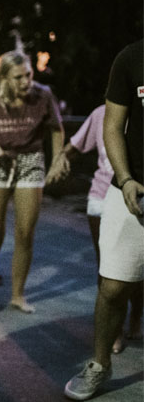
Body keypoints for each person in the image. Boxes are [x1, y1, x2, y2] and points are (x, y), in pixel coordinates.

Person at [64, 39, 143, 400]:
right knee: (112, 287)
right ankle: (99, 364)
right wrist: (125, 178)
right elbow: (112, 127)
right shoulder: (130, 57)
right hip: (133, 189)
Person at [0, 51, 68, 315]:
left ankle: (18, 294)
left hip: (30, 161)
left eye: (28, 74)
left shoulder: (43, 94)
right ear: (4, 77)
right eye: (18, 77)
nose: (26, 81)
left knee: (25, 233)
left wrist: (58, 159)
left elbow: (56, 129)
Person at [56, 104, 143, 353]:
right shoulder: (99, 114)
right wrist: (59, 161)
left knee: (137, 270)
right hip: (102, 197)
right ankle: (112, 332)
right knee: (109, 267)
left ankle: (135, 318)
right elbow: (73, 147)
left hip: (137, 197)